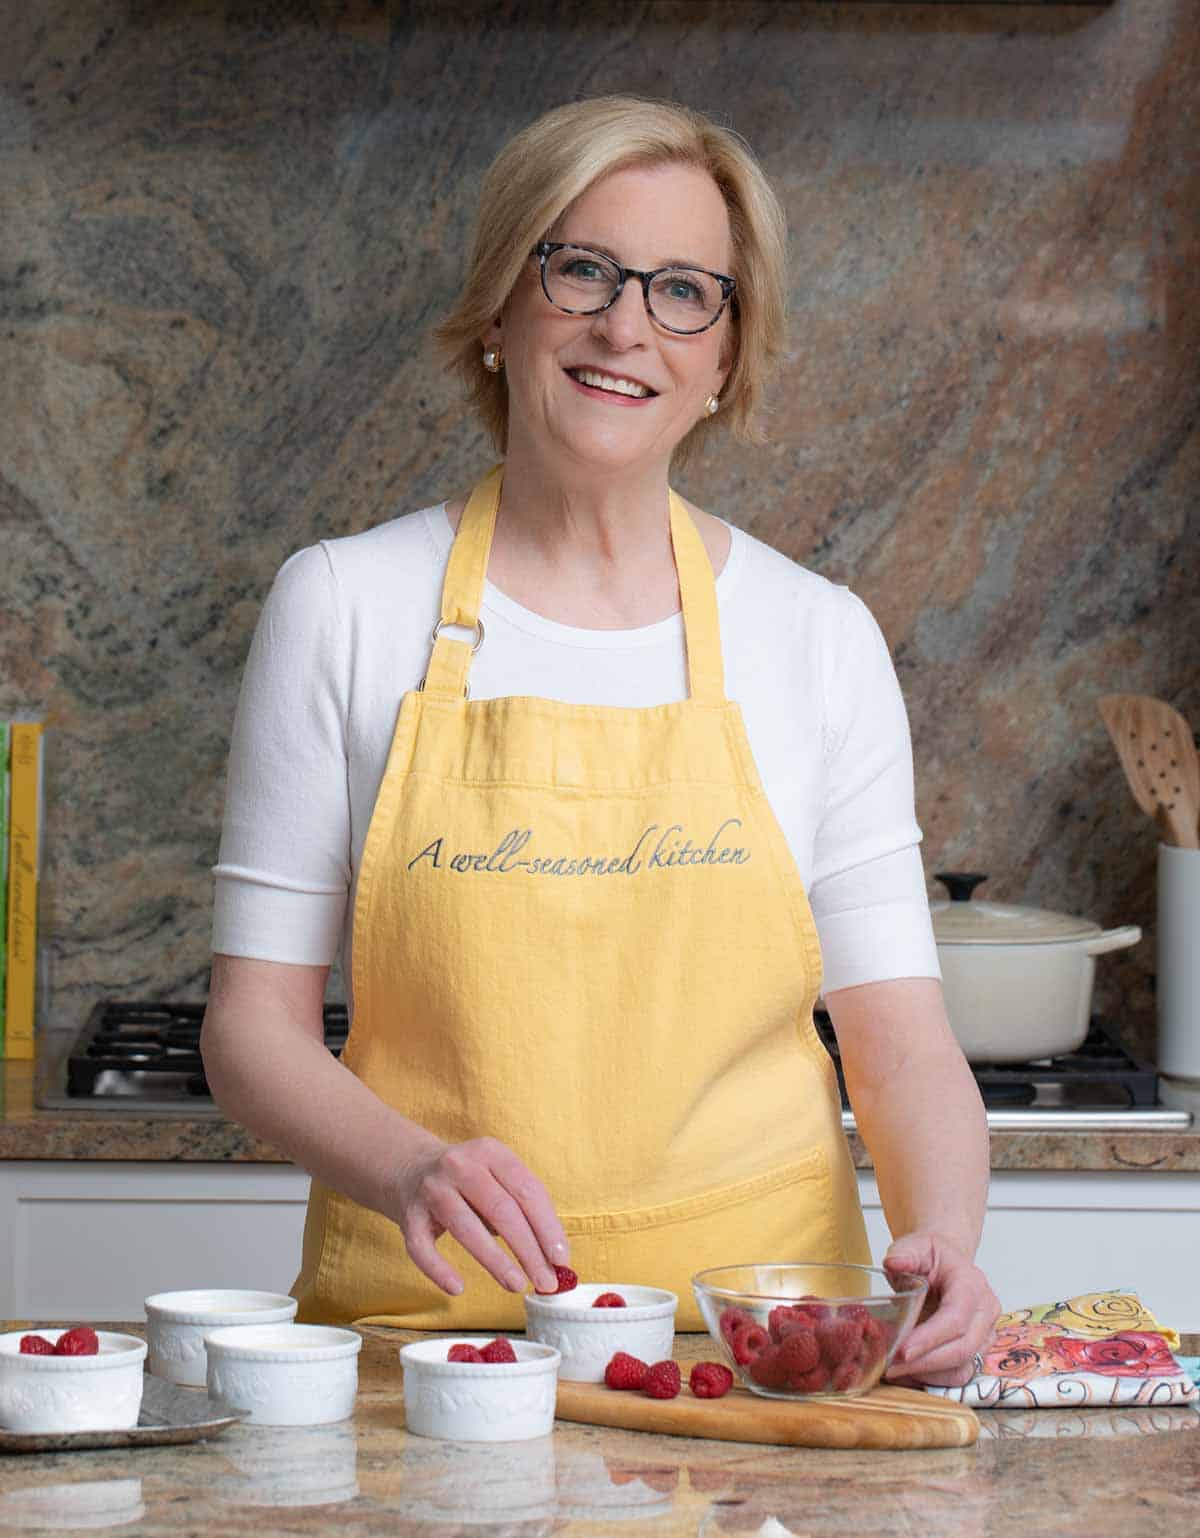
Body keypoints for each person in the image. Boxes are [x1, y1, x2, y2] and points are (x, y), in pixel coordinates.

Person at [201, 95, 999, 1386]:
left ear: (730, 355)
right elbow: (252, 1029)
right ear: (502, 309)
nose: (627, 326)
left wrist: (947, 1239)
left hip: (761, 1354)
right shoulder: (343, 605)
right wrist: (408, 1164)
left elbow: (902, 1043)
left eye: (687, 291)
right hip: (428, 1350)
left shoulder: (818, 636)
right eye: (582, 268)